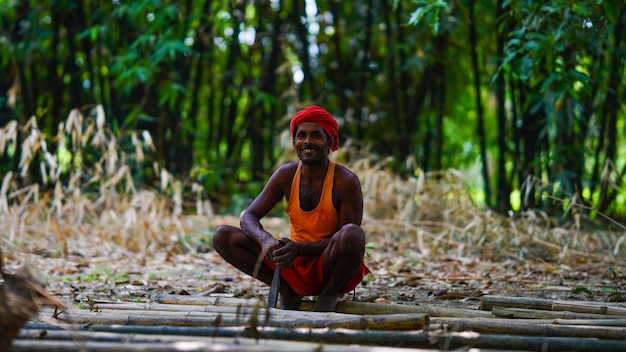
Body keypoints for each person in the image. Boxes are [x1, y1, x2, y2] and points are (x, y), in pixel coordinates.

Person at [212, 105, 370, 312]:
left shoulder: (345, 181)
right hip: (293, 264)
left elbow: (347, 240)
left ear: (329, 142)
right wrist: (266, 240)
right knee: (222, 236)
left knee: (352, 233)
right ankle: (287, 290)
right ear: (294, 141)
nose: (307, 141)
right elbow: (249, 216)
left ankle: (329, 295)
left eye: (316, 135)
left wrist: (299, 249)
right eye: (301, 135)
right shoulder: (286, 174)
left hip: (329, 266)